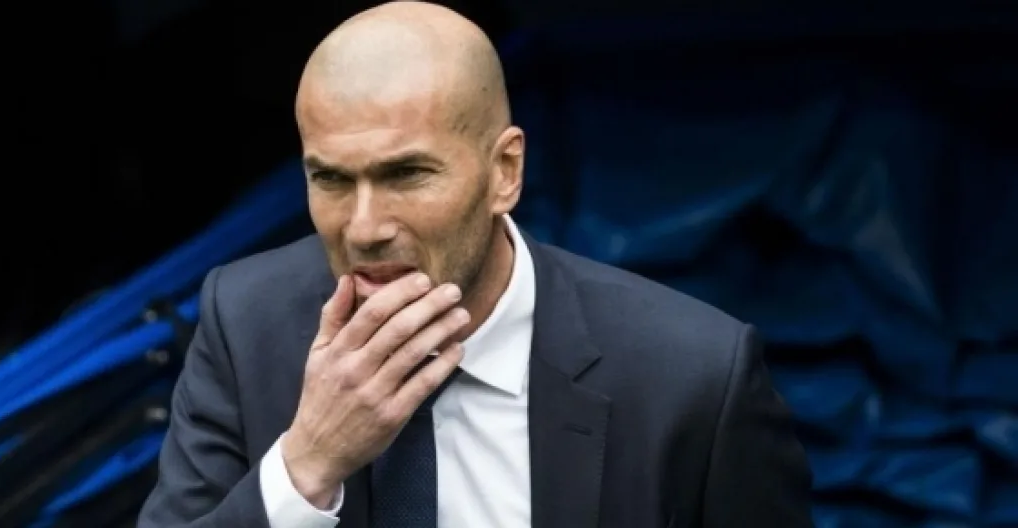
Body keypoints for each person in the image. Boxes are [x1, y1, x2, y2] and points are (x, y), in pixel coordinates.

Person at [137, 2, 814, 527]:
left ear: (504, 172)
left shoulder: (691, 378)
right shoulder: (244, 324)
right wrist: (306, 465)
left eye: (406, 174)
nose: (364, 227)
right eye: (332, 179)